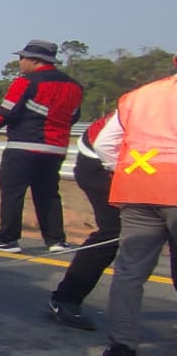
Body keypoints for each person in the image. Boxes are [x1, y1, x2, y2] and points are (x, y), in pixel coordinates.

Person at [93, 58, 177, 356]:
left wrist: (129, 171)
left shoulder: (139, 96)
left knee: (130, 272)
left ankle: (122, 348)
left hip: (138, 187)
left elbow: (105, 145)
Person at [0, 39, 83, 253]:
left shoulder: (26, 81)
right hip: (55, 148)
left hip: (23, 146)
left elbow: (8, 108)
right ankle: (56, 241)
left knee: (13, 192)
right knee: (48, 194)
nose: (20, 62)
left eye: (22, 58)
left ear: (35, 61)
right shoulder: (75, 86)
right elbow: (73, 116)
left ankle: (7, 239)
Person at [47, 113, 117, 330]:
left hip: (150, 167)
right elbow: (105, 143)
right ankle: (66, 299)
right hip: (101, 162)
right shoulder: (152, 100)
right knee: (115, 231)